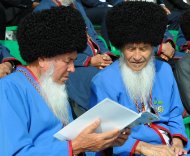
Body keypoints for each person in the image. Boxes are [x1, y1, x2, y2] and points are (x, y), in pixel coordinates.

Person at [0, 6, 130, 156]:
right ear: (43, 58)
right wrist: (75, 147)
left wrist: (106, 142)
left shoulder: (53, 85)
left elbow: (73, 140)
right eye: (68, 61)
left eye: (74, 61)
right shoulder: (9, 89)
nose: (72, 69)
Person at [90, 1, 190, 155]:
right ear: (121, 48)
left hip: (170, 146)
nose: (137, 57)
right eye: (131, 49)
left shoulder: (164, 71)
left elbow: (175, 114)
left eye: (143, 49)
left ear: (153, 47)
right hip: (128, 150)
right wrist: (144, 148)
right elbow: (103, 132)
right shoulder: (103, 81)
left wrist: (177, 141)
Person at [34, 0, 116, 115]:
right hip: (71, 66)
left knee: (121, 70)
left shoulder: (76, 4)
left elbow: (94, 35)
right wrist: (89, 61)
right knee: (101, 78)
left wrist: (106, 54)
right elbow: (53, 51)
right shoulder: (44, 9)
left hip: (96, 60)